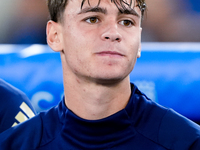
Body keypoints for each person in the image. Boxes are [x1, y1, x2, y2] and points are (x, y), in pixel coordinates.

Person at [0, 0, 200, 149]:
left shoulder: (188, 142)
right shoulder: (15, 144)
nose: (113, 32)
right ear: (54, 36)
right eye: (93, 19)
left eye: (127, 22)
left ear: (139, 41)